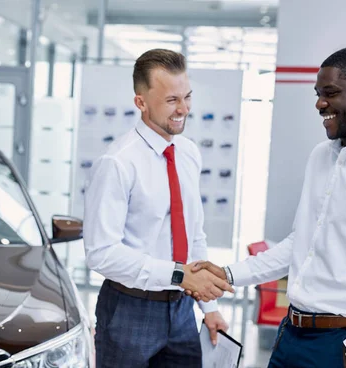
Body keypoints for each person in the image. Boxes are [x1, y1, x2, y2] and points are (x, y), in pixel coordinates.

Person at [191, 47, 346, 368]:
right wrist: (228, 274)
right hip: (291, 335)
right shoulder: (321, 156)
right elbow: (299, 244)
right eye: (318, 94)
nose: (320, 104)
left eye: (330, 93)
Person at [83, 48, 233, 368]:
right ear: (141, 102)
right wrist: (179, 275)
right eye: (171, 100)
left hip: (182, 311)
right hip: (128, 310)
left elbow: (194, 235)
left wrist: (210, 308)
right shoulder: (117, 163)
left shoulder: (189, 153)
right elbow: (101, 252)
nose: (183, 109)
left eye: (187, 97)